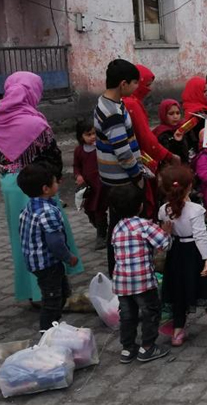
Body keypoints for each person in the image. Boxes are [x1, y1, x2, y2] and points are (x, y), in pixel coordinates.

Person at [1, 72, 84, 304]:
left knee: (23, 238)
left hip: (11, 186)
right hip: (39, 184)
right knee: (49, 233)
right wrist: (53, 181)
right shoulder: (35, 122)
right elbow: (52, 156)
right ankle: (50, 292)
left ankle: (31, 291)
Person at [158, 166, 207, 347]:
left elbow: (167, 232)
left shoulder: (163, 210)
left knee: (179, 289)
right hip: (197, 253)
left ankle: (178, 331)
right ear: (189, 186)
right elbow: (200, 236)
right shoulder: (195, 210)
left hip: (177, 253)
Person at [108, 184, 171, 364]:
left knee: (128, 316)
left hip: (122, 283)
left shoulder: (117, 228)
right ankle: (148, 347)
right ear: (140, 206)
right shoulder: (144, 226)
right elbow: (164, 245)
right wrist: (167, 233)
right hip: (143, 281)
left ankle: (127, 349)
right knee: (151, 312)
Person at [95, 59, 146, 277]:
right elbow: (122, 150)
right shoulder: (112, 112)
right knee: (119, 228)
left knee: (117, 225)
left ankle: (120, 270)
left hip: (113, 176)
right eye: (135, 83)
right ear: (123, 84)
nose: (137, 88)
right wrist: (137, 176)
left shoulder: (107, 102)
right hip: (121, 178)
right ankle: (120, 272)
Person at [17, 164, 79, 331]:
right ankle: (47, 334)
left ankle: (55, 325)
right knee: (52, 301)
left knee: (62, 292)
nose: (58, 183)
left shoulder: (29, 207)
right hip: (47, 264)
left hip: (38, 262)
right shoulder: (48, 212)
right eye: (55, 182)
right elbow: (55, 243)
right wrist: (69, 257)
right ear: (46, 189)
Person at [122, 64, 180, 218]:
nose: (149, 90)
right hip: (135, 159)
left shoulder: (122, 101)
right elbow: (145, 137)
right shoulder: (131, 103)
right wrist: (168, 156)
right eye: (145, 85)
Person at [73, 119, 108, 249]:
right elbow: (76, 166)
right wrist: (78, 176)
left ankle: (101, 236)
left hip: (101, 185)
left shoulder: (101, 147)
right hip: (89, 187)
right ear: (81, 136)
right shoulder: (79, 151)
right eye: (88, 134)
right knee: (89, 210)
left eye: (94, 133)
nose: (92, 137)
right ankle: (101, 227)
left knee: (99, 210)